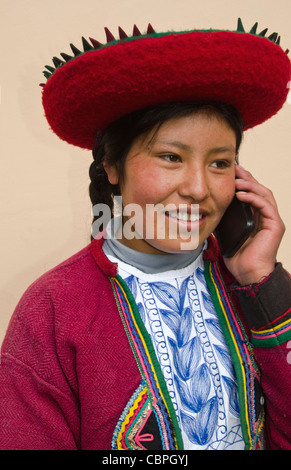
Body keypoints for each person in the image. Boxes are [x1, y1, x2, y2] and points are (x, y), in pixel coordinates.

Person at [1, 19, 291, 450]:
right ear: (112, 168)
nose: (198, 188)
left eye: (219, 163)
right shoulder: (53, 309)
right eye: (171, 157)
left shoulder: (251, 284)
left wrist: (264, 286)